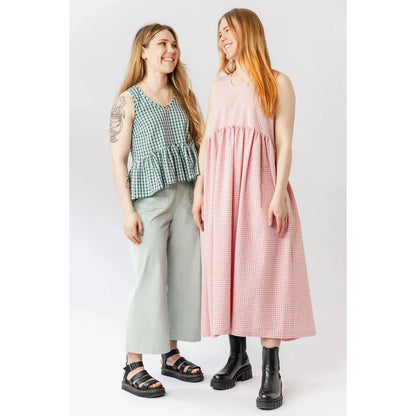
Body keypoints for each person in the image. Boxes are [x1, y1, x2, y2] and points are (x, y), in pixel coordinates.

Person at [192, 8, 316, 410]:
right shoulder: (218, 86)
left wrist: (278, 193)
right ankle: (237, 357)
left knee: (267, 270)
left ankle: (271, 369)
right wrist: (200, 190)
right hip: (221, 191)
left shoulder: (278, 82)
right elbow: (208, 141)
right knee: (228, 268)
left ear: (249, 32)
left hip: (260, 187)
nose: (222, 38)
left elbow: (284, 143)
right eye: (219, 33)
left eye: (228, 30)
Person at [110, 23, 204, 399]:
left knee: (183, 275)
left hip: (187, 195)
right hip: (149, 199)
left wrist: (201, 194)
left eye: (174, 44)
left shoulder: (184, 95)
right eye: (162, 43)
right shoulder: (128, 100)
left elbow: (200, 145)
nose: (171, 50)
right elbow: (118, 160)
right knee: (148, 277)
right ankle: (133, 363)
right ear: (144, 51)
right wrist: (127, 211)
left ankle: (171, 353)